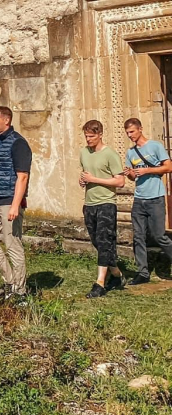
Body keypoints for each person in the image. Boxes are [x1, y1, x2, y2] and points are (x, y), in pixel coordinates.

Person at [0, 106, 32, 300]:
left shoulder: (18, 143)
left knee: (12, 245)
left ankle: (19, 291)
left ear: (6, 120)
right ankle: (10, 279)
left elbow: (23, 176)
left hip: (10, 201)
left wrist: (15, 205)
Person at [79, 120, 126, 298]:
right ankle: (116, 275)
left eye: (91, 136)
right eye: (86, 136)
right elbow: (85, 173)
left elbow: (120, 181)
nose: (88, 139)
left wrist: (95, 179)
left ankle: (99, 283)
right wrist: (82, 180)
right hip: (89, 203)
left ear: (100, 135)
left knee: (104, 240)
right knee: (98, 242)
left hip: (106, 203)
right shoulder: (84, 152)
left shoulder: (110, 154)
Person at [123, 117, 172, 285]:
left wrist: (147, 170)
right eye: (127, 133)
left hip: (156, 197)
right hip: (139, 199)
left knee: (159, 236)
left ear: (140, 129)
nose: (130, 135)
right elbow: (132, 177)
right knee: (138, 237)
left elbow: (168, 167)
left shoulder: (155, 146)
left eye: (132, 132)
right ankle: (142, 273)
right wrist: (129, 172)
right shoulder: (130, 153)